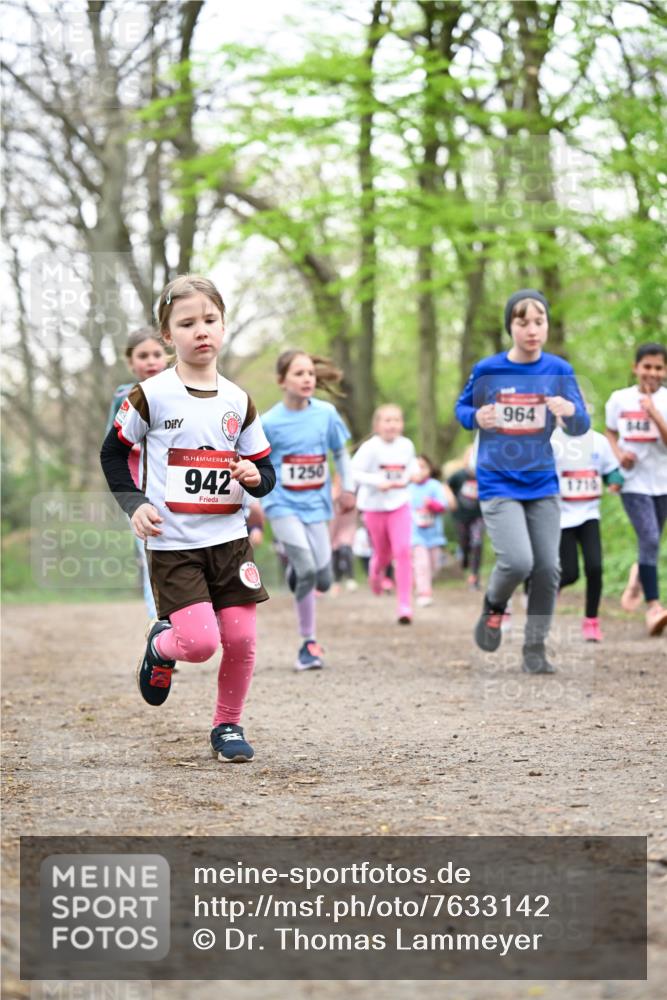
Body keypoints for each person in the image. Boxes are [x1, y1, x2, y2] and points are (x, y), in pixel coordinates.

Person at [100, 274, 275, 763]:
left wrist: (253, 476)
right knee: (199, 644)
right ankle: (162, 646)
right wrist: (135, 506)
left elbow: (265, 469)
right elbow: (112, 454)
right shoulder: (149, 395)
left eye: (210, 320)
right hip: (174, 543)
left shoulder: (238, 400)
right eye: (187, 323)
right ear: (166, 335)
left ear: (223, 326)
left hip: (230, 538)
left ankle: (227, 726)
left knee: (240, 638)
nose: (201, 331)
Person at [455, 288, 590, 673]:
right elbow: (462, 408)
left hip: (541, 481)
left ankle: (534, 649)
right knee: (517, 562)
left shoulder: (559, 371)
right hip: (498, 480)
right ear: (510, 327)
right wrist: (475, 418)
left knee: (548, 567)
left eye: (539, 321)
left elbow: (581, 425)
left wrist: (571, 412)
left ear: (546, 325)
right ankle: (494, 605)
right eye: (522, 321)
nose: (532, 329)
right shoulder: (488, 369)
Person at [260, 350, 355, 670]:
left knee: (324, 580)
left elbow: (341, 454)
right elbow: (256, 463)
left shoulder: (326, 414)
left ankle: (296, 571)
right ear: (281, 381)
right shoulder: (269, 423)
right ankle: (308, 642)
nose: (307, 379)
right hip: (281, 503)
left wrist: (348, 488)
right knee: (308, 569)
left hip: (317, 505)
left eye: (310, 374)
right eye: (299, 374)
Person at [105, 327, 169, 620]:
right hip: (139, 492)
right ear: (131, 363)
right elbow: (112, 448)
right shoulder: (124, 398)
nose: (151, 361)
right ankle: (159, 627)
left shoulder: (180, 391)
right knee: (151, 561)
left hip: (176, 488)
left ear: (167, 357)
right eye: (143, 356)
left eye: (157, 354)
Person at [605, 343, 667, 636]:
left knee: (651, 542)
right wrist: (618, 456)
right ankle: (654, 607)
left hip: (663, 482)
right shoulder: (619, 399)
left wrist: (654, 413)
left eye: (658, 368)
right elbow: (610, 432)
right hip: (633, 483)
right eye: (647, 367)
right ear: (636, 368)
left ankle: (636, 576)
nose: (652, 373)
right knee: (651, 537)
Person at [552, 422, 623, 641]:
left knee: (595, 567)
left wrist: (614, 481)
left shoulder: (598, 441)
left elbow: (612, 470)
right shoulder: (551, 441)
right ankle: (545, 589)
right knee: (570, 573)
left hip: (589, 514)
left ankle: (591, 621)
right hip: (562, 517)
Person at [352, 404, 418, 624]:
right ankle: (375, 570)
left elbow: (410, 468)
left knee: (403, 551)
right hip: (374, 506)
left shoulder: (407, 445)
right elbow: (354, 472)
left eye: (396, 420)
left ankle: (404, 605)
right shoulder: (371, 447)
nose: (392, 425)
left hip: (400, 504)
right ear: (377, 425)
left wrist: (409, 476)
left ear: (402, 424)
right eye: (387, 420)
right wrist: (377, 482)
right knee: (382, 553)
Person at [409, 454, 456, 607]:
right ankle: (424, 592)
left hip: (434, 534)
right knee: (422, 563)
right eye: (416, 467)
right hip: (415, 534)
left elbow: (443, 506)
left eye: (423, 467)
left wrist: (431, 504)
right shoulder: (407, 488)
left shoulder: (434, 485)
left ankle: (419, 581)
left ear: (430, 469)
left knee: (434, 565)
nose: (419, 471)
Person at [447, 445, 484, 589]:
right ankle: (463, 556)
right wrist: (450, 498)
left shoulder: (485, 475)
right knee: (464, 541)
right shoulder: (459, 475)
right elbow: (446, 485)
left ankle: (474, 576)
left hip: (478, 516)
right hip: (461, 516)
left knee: (477, 542)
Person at [330, 473, 359, 595]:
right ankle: (336, 582)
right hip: (334, 526)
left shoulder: (351, 492)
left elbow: (352, 505)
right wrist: (336, 493)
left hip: (348, 525)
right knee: (335, 554)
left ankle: (351, 579)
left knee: (345, 550)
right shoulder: (331, 490)